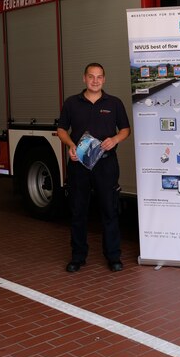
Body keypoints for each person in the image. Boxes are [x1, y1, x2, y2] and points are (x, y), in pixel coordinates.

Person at [57, 63, 131, 273]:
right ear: (84, 79)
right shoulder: (72, 103)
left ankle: (113, 256)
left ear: (104, 79)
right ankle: (78, 257)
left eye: (99, 77)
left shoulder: (114, 103)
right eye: (91, 77)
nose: (95, 81)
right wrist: (71, 146)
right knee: (78, 211)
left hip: (106, 164)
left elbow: (126, 129)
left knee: (109, 210)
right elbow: (61, 129)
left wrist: (115, 139)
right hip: (79, 164)